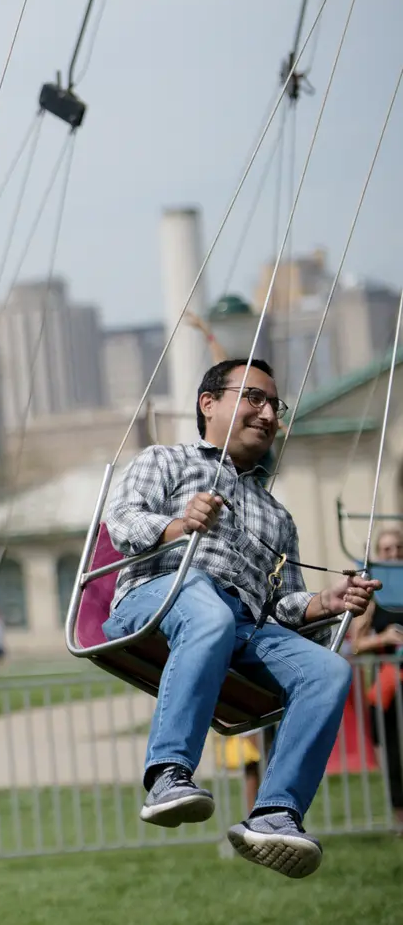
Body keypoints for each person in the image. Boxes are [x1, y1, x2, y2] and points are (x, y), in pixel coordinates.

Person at [103, 357, 379, 878]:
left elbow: (281, 604)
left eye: (275, 405)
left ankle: (276, 812)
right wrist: (179, 524)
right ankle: (168, 773)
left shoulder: (277, 515)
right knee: (207, 605)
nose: (268, 412)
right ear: (209, 403)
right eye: (254, 397)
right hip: (157, 599)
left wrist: (326, 602)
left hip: (242, 626)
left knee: (329, 671)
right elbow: (122, 522)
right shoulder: (167, 460)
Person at [348, 523, 403, 833]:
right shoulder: (374, 595)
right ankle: (400, 819)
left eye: (398, 549)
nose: (393, 554)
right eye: (387, 550)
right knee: (393, 754)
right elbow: (356, 643)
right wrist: (384, 637)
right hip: (388, 687)